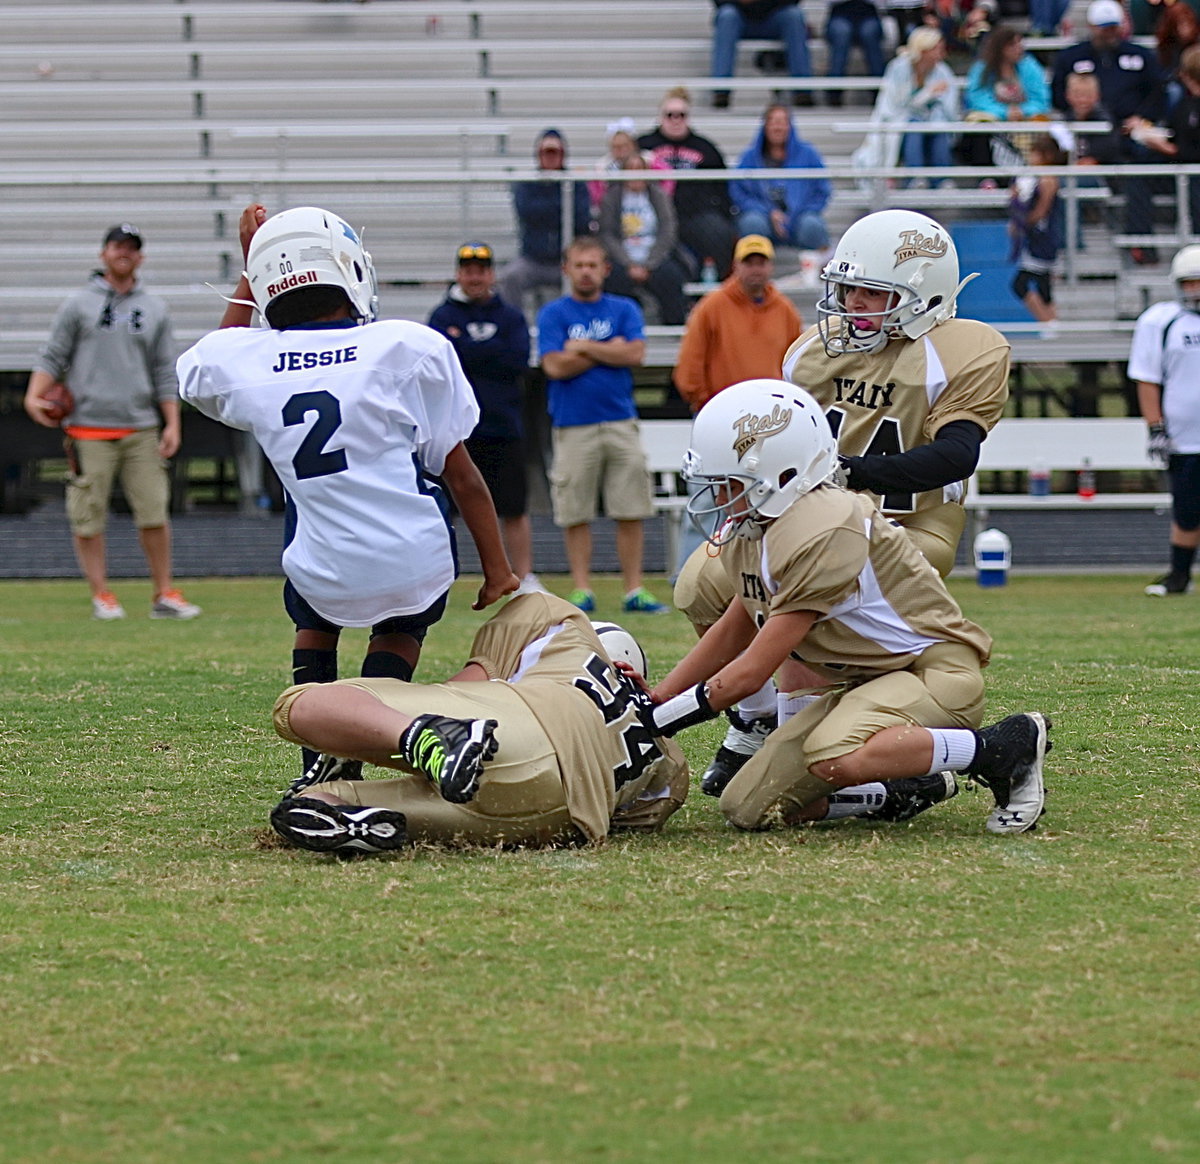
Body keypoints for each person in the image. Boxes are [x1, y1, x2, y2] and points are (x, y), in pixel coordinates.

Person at [674, 209, 1010, 794]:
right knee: (700, 585)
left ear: (923, 296)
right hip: (806, 516)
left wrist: (851, 472)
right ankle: (754, 723)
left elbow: (956, 456)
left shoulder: (963, 349)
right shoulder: (812, 352)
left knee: (809, 603)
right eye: (847, 287)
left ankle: (824, 739)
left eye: (872, 291)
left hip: (911, 522)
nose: (852, 302)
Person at [178, 204, 518, 780]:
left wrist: (249, 266)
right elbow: (461, 475)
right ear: (350, 271)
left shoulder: (252, 360)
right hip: (412, 558)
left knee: (314, 609)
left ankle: (321, 758)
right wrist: (498, 569)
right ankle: (361, 744)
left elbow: (202, 367)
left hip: (324, 564)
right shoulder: (408, 346)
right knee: (400, 623)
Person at [631, 379, 1050, 837]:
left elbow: (752, 671)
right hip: (863, 682)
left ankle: (1001, 748)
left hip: (929, 673)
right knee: (750, 807)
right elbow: (736, 627)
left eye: (730, 481)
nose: (718, 495)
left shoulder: (824, 526)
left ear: (784, 473)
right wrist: (658, 695)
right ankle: (905, 788)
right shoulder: (758, 525)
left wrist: (657, 722)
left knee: (833, 757)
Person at [268, 592, 688, 853]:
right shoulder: (669, 761)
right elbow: (639, 816)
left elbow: (464, 686)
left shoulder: (560, 625)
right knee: (312, 803)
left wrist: (368, 736)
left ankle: (417, 741)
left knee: (302, 705)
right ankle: (352, 818)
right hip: (558, 818)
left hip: (514, 732)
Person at [24, 224, 200, 622]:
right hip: (88, 426)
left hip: (140, 426)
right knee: (88, 516)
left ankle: (163, 592)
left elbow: (163, 370)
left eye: (132, 247)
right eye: (118, 246)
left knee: (154, 513)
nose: (125, 253)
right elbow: (53, 355)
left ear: (141, 256)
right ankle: (101, 594)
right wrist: (34, 395)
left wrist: (172, 423)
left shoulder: (154, 308)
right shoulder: (77, 304)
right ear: (103, 253)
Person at [537, 236, 669, 615]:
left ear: (605, 269)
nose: (586, 272)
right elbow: (554, 366)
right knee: (575, 510)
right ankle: (582, 588)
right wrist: (609, 350)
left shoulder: (624, 308)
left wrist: (583, 348)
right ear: (567, 269)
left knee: (630, 507)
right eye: (579, 265)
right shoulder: (553, 314)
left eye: (593, 265)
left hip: (619, 420)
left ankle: (634, 589)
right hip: (572, 423)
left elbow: (636, 353)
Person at [671, 233, 804, 572]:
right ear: (736, 266)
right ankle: (693, 576)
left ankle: (765, 573)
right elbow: (688, 370)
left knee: (771, 504)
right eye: (749, 262)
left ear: (771, 266)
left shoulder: (785, 310)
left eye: (762, 262)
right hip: (720, 424)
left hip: (772, 427)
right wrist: (706, 406)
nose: (756, 270)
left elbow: (798, 367)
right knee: (706, 504)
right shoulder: (712, 308)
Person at [427, 241, 543, 595]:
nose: (475, 277)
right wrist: (489, 354)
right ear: (459, 273)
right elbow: (443, 365)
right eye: (468, 270)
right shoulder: (443, 316)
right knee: (449, 505)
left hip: (503, 424)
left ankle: (524, 575)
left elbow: (517, 361)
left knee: (513, 506)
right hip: (458, 429)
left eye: (481, 270)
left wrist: (472, 353)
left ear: (491, 274)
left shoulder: (509, 316)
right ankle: (441, 573)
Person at [1050, 0, 1168, 263]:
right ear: (1092, 27)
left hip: (1129, 139)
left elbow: (1157, 93)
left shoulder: (1139, 55)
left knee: (1137, 177)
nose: (1109, 33)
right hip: (1087, 137)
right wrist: (1079, 114)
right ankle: (1070, 252)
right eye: (1104, 28)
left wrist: (1143, 118)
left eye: (1113, 27)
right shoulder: (1073, 56)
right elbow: (1058, 95)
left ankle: (1141, 245)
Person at [1127, 243, 1200, 596]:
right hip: (1185, 438)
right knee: (1187, 510)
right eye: (1189, 283)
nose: (1195, 291)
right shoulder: (1161, 320)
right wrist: (1155, 427)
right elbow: (1147, 377)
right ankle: (1179, 577)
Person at [638, 88, 737, 278]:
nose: (676, 120)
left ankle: (714, 288)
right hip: (651, 215)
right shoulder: (644, 145)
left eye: (681, 115)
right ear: (661, 116)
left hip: (694, 215)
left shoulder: (706, 148)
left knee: (719, 231)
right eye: (670, 115)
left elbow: (722, 189)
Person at [496, 129, 592, 319]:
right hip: (534, 259)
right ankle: (515, 327)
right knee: (510, 277)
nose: (550, 158)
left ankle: (584, 327)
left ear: (563, 155)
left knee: (592, 273)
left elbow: (581, 217)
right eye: (546, 153)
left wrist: (548, 208)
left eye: (555, 153)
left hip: (567, 260)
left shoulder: (576, 184)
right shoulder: (527, 184)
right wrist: (561, 206)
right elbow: (528, 212)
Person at [853, 27, 960, 189]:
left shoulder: (943, 72)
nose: (942, 54)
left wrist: (929, 111)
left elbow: (949, 108)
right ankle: (915, 178)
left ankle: (942, 180)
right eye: (937, 49)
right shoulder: (899, 68)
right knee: (913, 124)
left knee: (939, 127)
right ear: (923, 50)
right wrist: (928, 93)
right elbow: (897, 105)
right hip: (898, 122)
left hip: (931, 127)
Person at [596, 153, 690, 325]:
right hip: (622, 256)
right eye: (631, 170)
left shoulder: (658, 195)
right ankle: (619, 327)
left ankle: (673, 326)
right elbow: (607, 234)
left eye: (639, 170)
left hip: (654, 256)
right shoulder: (612, 197)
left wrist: (649, 264)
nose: (635, 175)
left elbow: (667, 231)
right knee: (612, 278)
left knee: (672, 276)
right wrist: (629, 264)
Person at [730, 103, 832, 252]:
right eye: (773, 122)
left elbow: (822, 190)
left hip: (800, 217)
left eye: (782, 122)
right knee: (751, 223)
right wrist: (768, 212)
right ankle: (753, 270)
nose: (777, 128)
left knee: (812, 225)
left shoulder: (808, 154)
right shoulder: (750, 157)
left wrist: (796, 214)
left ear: (790, 126)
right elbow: (738, 192)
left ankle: (817, 270)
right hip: (763, 217)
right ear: (765, 126)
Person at [961, 26, 1054, 173]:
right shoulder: (982, 68)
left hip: (1025, 119)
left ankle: (1033, 173)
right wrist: (1004, 112)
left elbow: (1041, 98)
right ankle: (987, 174)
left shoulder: (1030, 66)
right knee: (977, 123)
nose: (1019, 48)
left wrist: (1022, 111)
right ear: (1001, 48)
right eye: (1013, 45)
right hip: (995, 119)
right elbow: (977, 98)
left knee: (1042, 122)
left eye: (1019, 43)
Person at [710, 0, 814, 109]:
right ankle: (721, 90)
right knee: (727, 15)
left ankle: (802, 90)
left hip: (775, 16)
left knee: (794, 15)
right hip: (738, 18)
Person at [1009, 135, 1067, 329]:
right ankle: (1052, 323)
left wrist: (1023, 223)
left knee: (1021, 284)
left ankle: (1047, 322)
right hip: (1036, 237)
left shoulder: (1048, 180)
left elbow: (1042, 211)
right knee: (1043, 285)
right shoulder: (1034, 178)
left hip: (1043, 238)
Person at [824, 0, 886, 109]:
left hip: (868, 13)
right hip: (840, 13)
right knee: (841, 33)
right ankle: (834, 92)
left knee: (870, 32)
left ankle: (879, 92)